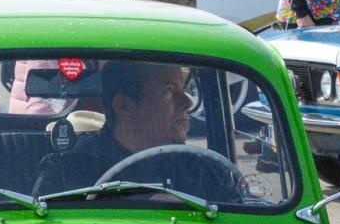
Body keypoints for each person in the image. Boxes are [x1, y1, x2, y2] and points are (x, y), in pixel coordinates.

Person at [31, 61, 243, 204]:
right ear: (124, 106)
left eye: (184, 90)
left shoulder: (207, 173)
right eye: (169, 91)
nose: (187, 102)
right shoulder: (67, 173)